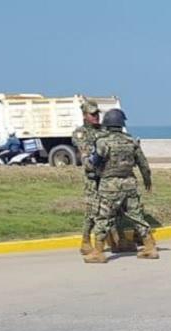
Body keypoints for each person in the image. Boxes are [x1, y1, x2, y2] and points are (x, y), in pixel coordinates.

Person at [83, 108, 158, 263]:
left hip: (109, 185)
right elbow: (143, 164)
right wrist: (147, 180)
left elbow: (93, 163)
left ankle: (98, 252)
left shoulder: (103, 142)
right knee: (136, 216)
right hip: (129, 184)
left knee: (103, 217)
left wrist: (86, 161)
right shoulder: (131, 141)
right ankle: (150, 247)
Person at [71, 100, 102, 256]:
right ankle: (85, 240)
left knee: (115, 208)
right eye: (93, 114)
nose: (96, 116)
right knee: (92, 209)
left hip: (106, 176)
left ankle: (117, 239)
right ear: (84, 115)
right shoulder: (80, 133)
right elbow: (86, 153)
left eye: (97, 114)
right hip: (92, 177)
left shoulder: (104, 130)